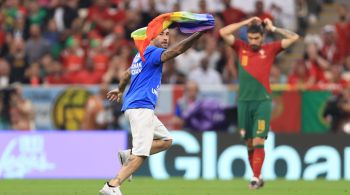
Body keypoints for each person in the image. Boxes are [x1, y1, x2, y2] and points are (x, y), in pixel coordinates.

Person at [100, 29, 206, 194]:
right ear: (151, 37)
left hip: (137, 107)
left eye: (167, 34)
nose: (165, 38)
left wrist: (120, 90)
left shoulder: (140, 55)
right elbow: (178, 50)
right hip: (141, 107)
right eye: (161, 34)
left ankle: (128, 155)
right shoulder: (153, 52)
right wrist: (198, 34)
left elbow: (127, 73)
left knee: (166, 140)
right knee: (141, 154)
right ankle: (112, 185)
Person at [220, 17, 299, 189]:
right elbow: (223, 32)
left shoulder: (270, 49)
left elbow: (294, 38)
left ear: (262, 37)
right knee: (249, 142)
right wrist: (245, 22)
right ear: (247, 37)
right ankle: (258, 175)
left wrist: (274, 28)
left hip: (262, 102)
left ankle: (255, 178)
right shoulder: (241, 47)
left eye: (257, 38)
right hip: (243, 103)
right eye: (251, 38)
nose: (254, 41)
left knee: (258, 140)